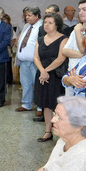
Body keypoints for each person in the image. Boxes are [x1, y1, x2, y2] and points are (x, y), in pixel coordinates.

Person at [33, 13, 68, 142]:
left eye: (50, 23)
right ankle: (48, 132)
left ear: (57, 25)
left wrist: (46, 71)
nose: (46, 25)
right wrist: (42, 71)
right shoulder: (40, 39)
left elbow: (61, 58)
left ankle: (62, 133)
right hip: (42, 75)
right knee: (45, 104)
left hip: (55, 75)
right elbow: (36, 57)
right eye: (45, 22)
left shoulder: (63, 39)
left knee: (57, 104)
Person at [15, 7, 42, 112]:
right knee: (25, 84)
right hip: (24, 61)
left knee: (38, 85)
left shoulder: (42, 27)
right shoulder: (27, 26)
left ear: (37, 16)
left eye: (29, 15)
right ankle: (26, 104)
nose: (27, 17)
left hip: (36, 62)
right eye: (26, 15)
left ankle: (40, 107)